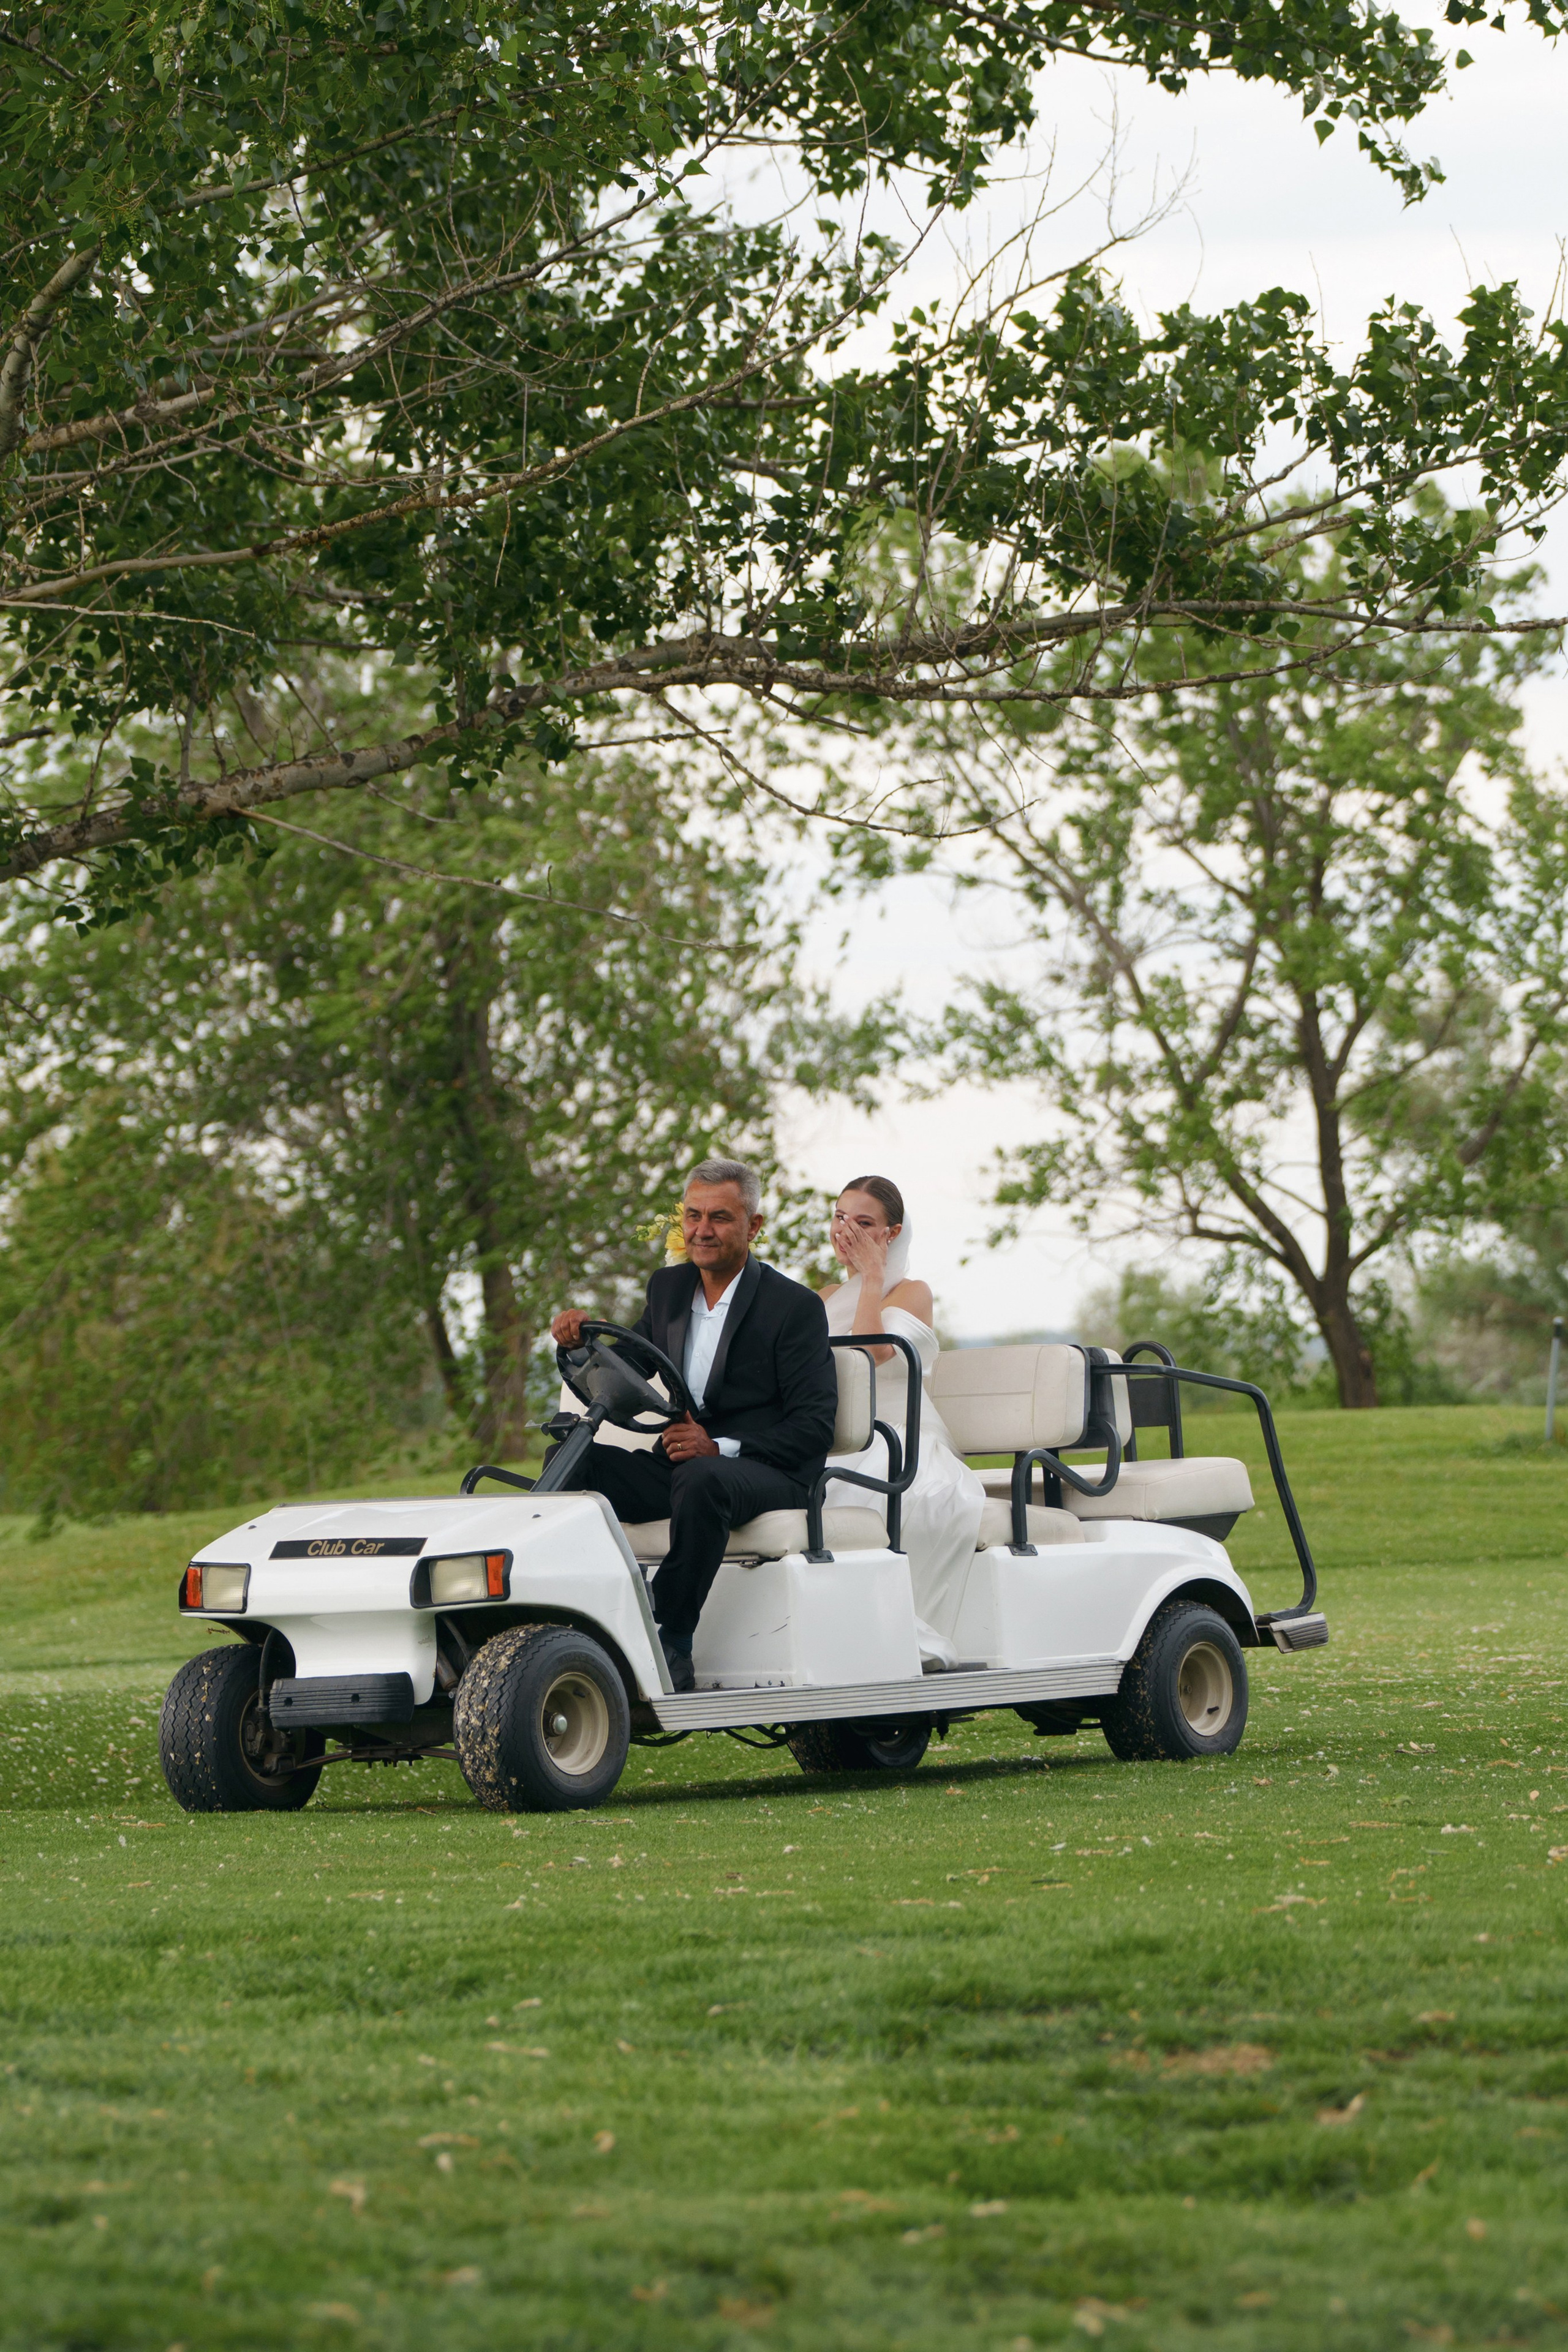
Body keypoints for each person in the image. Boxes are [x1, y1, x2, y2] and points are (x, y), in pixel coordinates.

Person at [549, 1158, 839, 1692]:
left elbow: (814, 1427)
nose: (702, 1230)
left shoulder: (793, 1307)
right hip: (684, 1472)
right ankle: (570, 1621)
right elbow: (627, 1367)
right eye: (693, 1216)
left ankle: (671, 1638)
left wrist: (720, 1446)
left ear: (753, 1227)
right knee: (571, 1456)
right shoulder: (668, 1288)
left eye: (720, 1218)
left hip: (766, 1473)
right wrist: (578, 1345)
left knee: (702, 1478)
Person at [818, 1175, 984, 1658]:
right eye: (839, 1216)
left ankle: (882, 1632)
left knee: (877, 1490)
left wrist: (872, 1277)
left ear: (891, 1234)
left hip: (897, 1438)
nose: (845, 1231)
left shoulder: (912, 1292)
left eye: (863, 1222)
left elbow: (870, 1353)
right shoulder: (825, 1295)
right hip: (835, 1436)